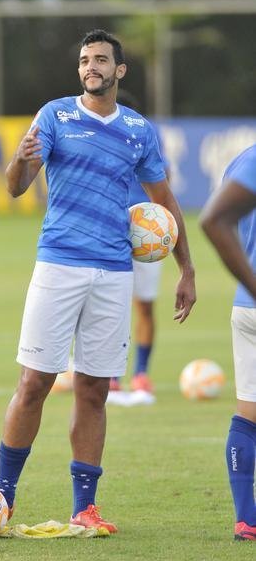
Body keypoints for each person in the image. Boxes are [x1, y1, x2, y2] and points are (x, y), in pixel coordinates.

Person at [0, 28, 196, 534]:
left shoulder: (138, 131)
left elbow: (164, 203)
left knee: (93, 390)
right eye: (86, 60)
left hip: (113, 273)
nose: (92, 67)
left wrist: (186, 268)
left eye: (101, 60)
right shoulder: (55, 116)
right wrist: (20, 159)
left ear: (119, 71)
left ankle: (84, 507)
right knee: (34, 383)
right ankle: (3, 497)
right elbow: (16, 188)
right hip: (58, 264)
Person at [199, 143, 256, 541]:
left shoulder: (242, 160)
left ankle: (246, 519)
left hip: (245, 307)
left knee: (248, 414)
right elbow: (213, 220)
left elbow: (226, 222)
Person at [110, 90, 169, 395]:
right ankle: (110, 376)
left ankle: (141, 373)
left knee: (144, 305)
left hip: (146, 234)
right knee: (110, 306)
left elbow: (163, 179)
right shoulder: (98, 138)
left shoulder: (146, 135)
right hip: (109, 229)